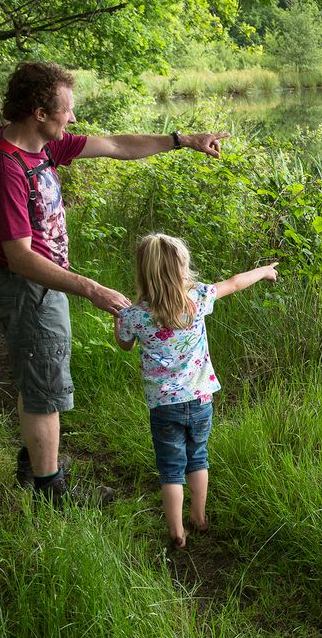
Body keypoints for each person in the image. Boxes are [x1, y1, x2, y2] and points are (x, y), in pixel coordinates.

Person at [0, 60, 229, 503]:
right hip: (27, 290)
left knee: (41, 380)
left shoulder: (43, 147)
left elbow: (115, 145)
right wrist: (89, 287)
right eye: (66, 109)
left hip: (44, 288)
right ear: (38, 112)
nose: (71, 118)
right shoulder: (4, 167)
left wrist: (183, 140)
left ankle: (36, 463)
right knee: (44, 388)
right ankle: (52, 490)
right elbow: (19, 258)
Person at [113, 234, 278, 546]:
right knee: (197, 458)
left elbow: (124, 344)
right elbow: (235, 282)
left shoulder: (135, 315)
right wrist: (265, 271)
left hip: (164, 406)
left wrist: (118, 318)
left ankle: (177, 532)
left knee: (171, 467)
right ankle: (199, 517)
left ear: (144, 272)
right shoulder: (199, 298)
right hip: (201, 398)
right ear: (182, 269)